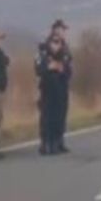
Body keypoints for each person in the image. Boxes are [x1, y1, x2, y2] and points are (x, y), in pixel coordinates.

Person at [35, 19, 73, 153]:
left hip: (61, 86)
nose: (63, 33)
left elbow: (68, 69)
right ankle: (46, 143)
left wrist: (61, 68)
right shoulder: (43, 49)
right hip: (47, 86)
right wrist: (50, 67)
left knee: (60, 115)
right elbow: (39, 68)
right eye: (61, 30)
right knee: (47, 116)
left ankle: (58, 141)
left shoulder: (66, 49)